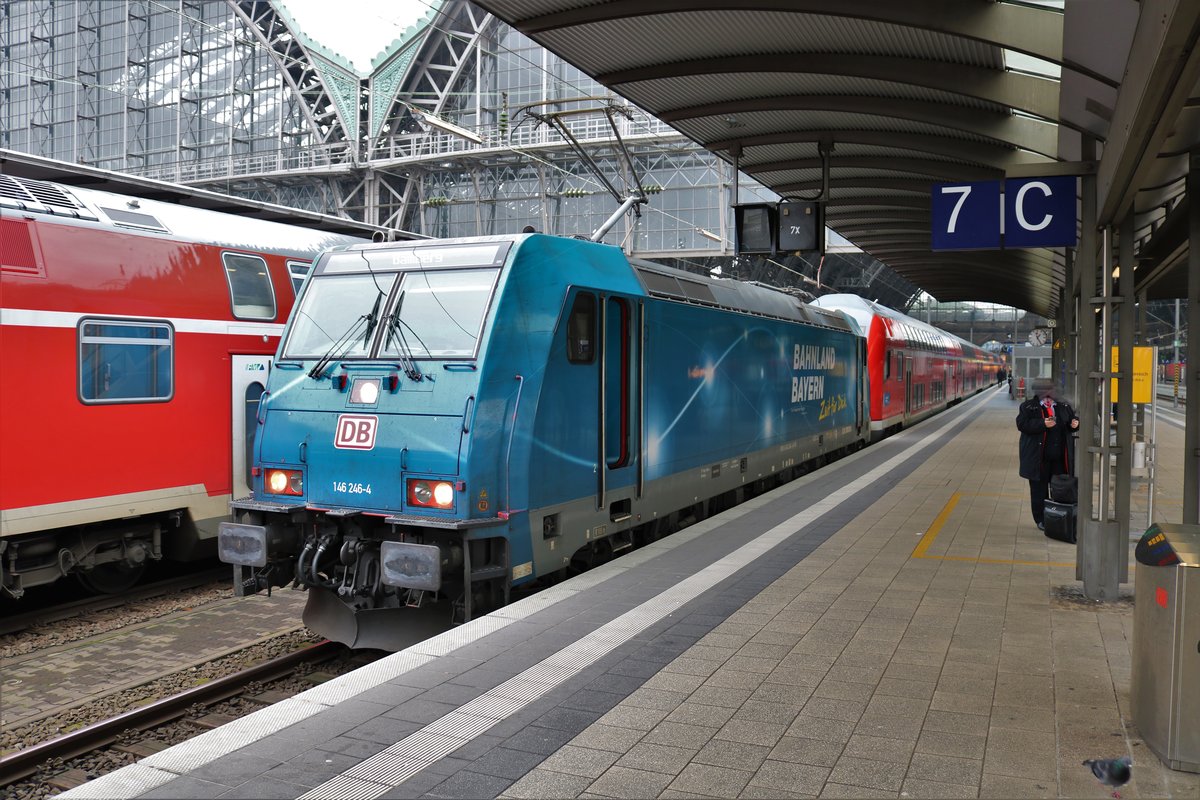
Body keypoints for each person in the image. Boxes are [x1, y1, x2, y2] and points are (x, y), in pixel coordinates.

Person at [1016, 380, 1079, 529]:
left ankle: (1059, 517)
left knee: (1060, 489)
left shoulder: (1063, 406)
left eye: (1051, 391)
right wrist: (1042, 424)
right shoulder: (1028, 407)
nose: (1049, 395)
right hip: (1039, 459)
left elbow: (1072, 422)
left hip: (1059, 458)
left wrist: (1075, 424)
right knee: (1039, 490)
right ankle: (1041, 519)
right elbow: (1022, 425)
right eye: (1045, 392)